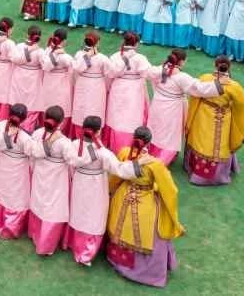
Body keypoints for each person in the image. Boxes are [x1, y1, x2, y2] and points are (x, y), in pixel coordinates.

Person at [106, 126, 185, 288]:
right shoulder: (155, 164)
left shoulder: (124, 153)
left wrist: (110, 192)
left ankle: (117, 259)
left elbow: (115, 178)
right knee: (149, 234)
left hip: (123, 195)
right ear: (149, 142)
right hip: (145, 201)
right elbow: (170, 190)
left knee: (120, 227)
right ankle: (142, 272)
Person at [65, 116, 136, 266]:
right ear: (98, 132)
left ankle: (75, 244)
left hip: (79, 182)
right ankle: (86, 252)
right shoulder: (102, 152)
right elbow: (119, 169)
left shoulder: (74, 144)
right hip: (95, 185)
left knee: (79, 212)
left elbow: (72, 161)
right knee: (94, 216)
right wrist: (137, 165)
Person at [185, 56, 244, 186]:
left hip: (203, 114)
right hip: (223, 118)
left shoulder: (205, 78)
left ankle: (195, 170)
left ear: (215, 66)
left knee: (201, 139)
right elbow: (242, 107)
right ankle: (217, 175)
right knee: (220, 144)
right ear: (228, 67)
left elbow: (195, 96)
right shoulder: (235, 86)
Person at [27, 105, 73, 255]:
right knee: (53, 207)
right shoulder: (65, 142)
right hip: (56, 178)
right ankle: (46, 244)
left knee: (39, 201)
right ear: (62, 122)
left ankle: (35, 234)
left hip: (40, 172)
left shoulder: (38, 133)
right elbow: (72, 161)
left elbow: (33, 152)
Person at [0, 103, 33, 239]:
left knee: (3, 190)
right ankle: (11, 226)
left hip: (3, 164)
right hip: (18, 169)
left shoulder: (1, 125)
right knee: (15, 195)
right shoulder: (26, 137)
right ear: (24, 118)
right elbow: (32, 154)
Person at [104, 32, 151, 153]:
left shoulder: (115, 56)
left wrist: (108, 89)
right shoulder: (141, 58)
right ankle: (130, 145)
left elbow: (109, 75)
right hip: (134, 90)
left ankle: (114, 145)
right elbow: (147, 73)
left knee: (116, 116)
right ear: (136, 44)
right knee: (131, 117)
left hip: (118, 87)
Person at [70, 32, 109, 139]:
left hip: (84, 83)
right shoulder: (102, 58)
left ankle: (81, 137)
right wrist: (88, 56)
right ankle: (91, 137)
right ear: (97, 43)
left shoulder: (79, 54)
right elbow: (110, 73)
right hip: (95, 85)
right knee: (88, 109)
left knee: (85, 108)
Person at [38, 29, 74, 136]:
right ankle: (58, 130)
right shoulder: (64, 57)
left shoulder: (46, 51)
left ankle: (45, 126)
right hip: (61, 84)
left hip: (49, 81)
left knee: (49, 102)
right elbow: (46, 66)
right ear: (64, 41)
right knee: (61, 104)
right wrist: (56, 54)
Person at [10, 25, 44, 131]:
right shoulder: (40, 51)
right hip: (32, 77)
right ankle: (27, 125)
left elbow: (14, 59)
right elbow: (46, 65)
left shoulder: (19, 46)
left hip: (21, 75)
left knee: (21, 97)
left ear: (27, 35)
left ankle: (17, 121)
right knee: (30, 101)